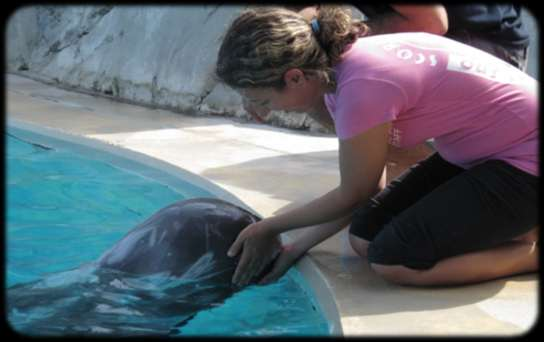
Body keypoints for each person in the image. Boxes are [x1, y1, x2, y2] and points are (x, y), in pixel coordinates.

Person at [215, 6, 539, 287]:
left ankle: (532, 253)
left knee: (395, 261)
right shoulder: (338, 68)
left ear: (296, 77)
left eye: (264, 100)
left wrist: (268, 227)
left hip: (526, 160)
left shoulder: (361, 88)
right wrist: (295, 247)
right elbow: (368, 188)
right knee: (364, 237)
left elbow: (354, 193)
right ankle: (518, 227)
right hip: (487, 152)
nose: (266, 111)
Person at [355, 4, 530, 71]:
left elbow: (431, 22)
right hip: (494, 37)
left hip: (479, 44)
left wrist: (346, 33)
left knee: (336, 63)